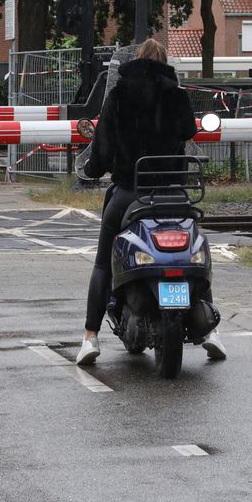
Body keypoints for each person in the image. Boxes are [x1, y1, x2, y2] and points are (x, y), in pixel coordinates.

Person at [74, 39, 226, 365]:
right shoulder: (177, 95)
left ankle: (90, 337)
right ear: (164, 62)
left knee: (103, 262)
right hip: (173, 193)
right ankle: (212, 332)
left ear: (136, 60)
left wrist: (91, 168)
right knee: (195, 257)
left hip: (131, 192)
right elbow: (188, 130)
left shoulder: (118, 95)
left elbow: (101, 151)